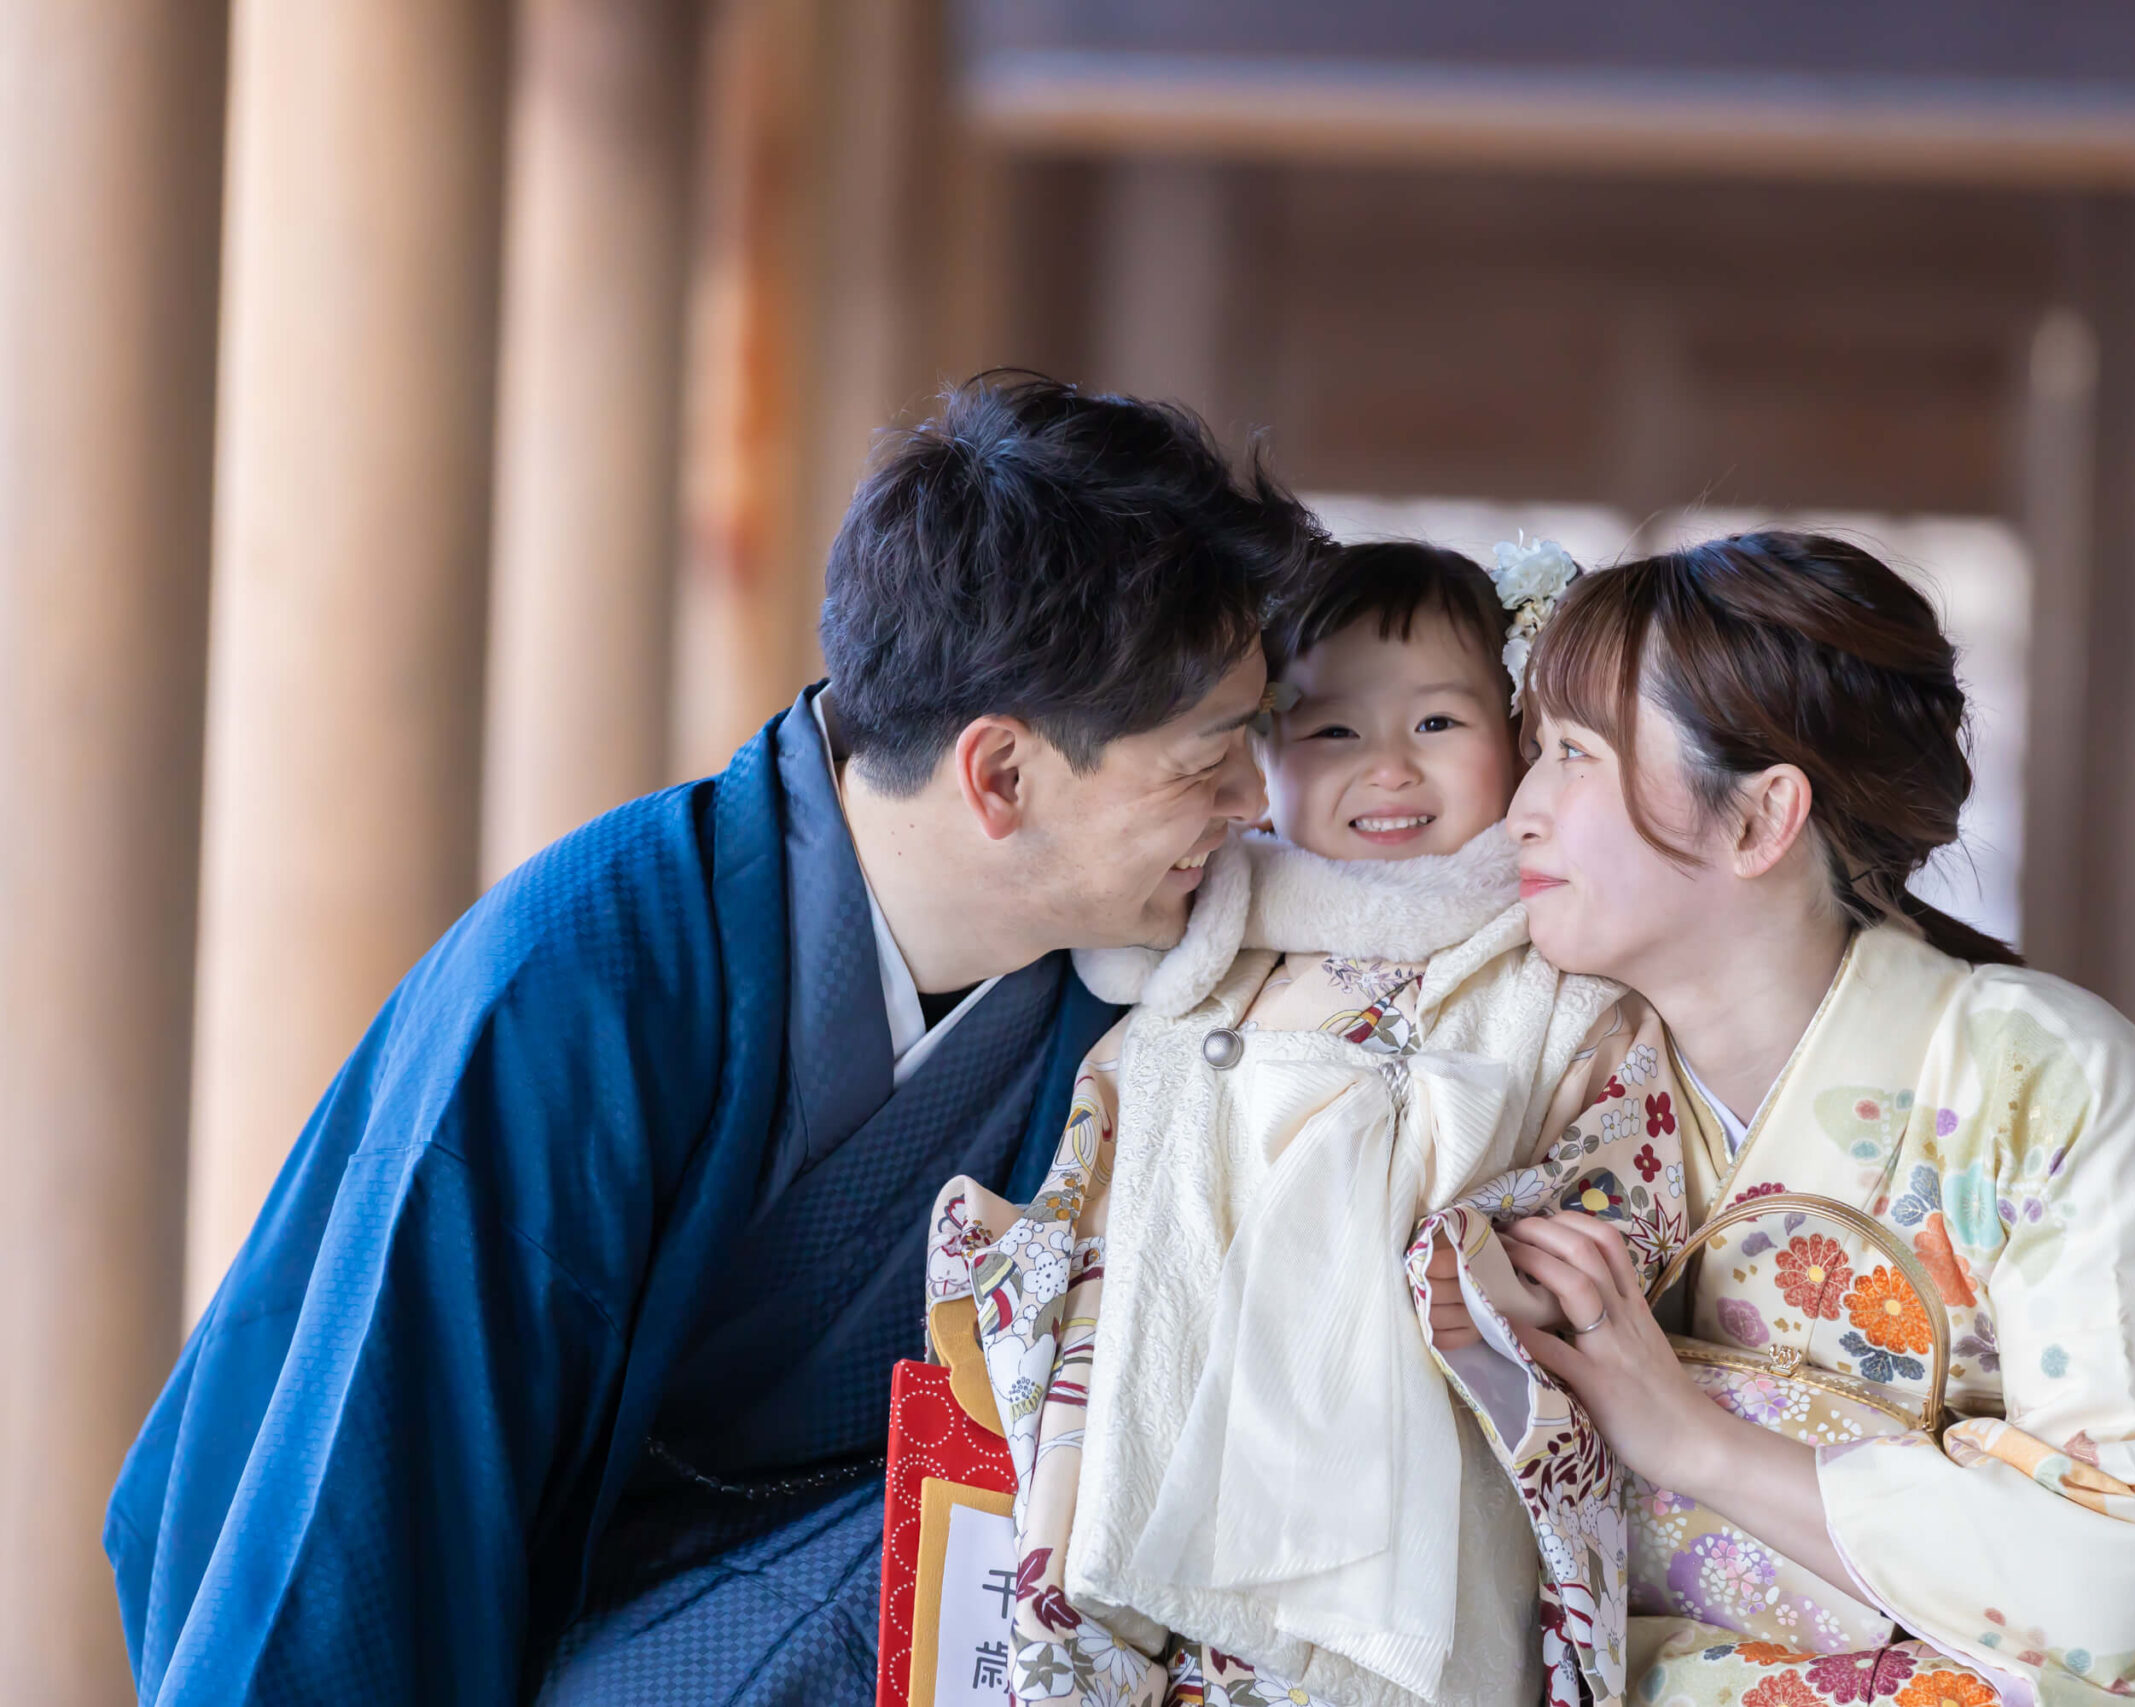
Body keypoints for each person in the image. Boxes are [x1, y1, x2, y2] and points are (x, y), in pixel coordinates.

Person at [105, 375, 1323, 1706]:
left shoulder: (1149, 997)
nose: (1254, 801)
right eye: (1206, 759)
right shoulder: (578, 978)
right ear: (1001, 775)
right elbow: (367, 1499)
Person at [1422, 533, 2135, 1705]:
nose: (1521, 810)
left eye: (1573, 753)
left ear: (1758, 820)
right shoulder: (1562, 1078)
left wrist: (1688, 1441)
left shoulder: (2063, 1095)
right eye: (1534, 751)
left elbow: (2107, 1585)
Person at [922, 539, 1685, 1707]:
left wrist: (1509, 1276)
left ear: (1520, 734)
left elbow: (1627, 1194)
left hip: (1410, 1472)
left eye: (1437, 722)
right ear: (1261, 755)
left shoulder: (1560, 982)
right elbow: (1103, 1175)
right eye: (1333, 730)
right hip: (1161, 1432)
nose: (1388, 766)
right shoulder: (1199, 963)